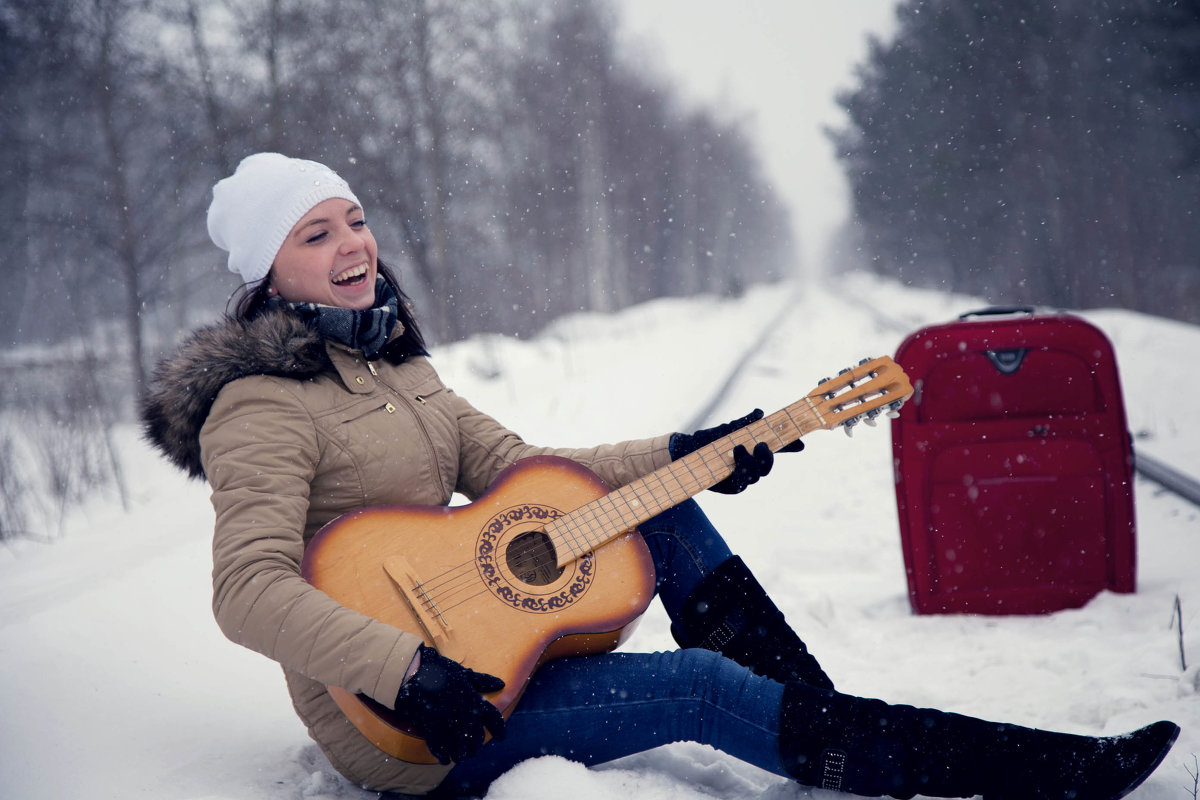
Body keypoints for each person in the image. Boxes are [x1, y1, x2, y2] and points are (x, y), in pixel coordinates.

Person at [142, 153, 1179, 800]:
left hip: (477, 644)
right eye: (314, 234)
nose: (352, 243)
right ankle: (1037, 771)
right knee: (696, 689)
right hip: (407, 721)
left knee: (668, 520)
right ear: (266, 276)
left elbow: (527, 476)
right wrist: (410, 672)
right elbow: (248, 589)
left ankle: (821, 725)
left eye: (354, 217)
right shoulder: (260, 404)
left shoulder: (398, 366)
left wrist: (698, 451)